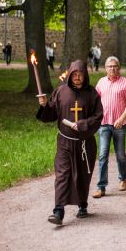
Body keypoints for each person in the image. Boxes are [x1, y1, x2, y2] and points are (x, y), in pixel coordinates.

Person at [36, 60, 103, 225]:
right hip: (64, 143)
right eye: (74, 74)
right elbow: (51, 115)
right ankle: (58, 210)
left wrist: (81, 125)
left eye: (80, 74)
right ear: (70, 74)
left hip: (84, 144)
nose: (77, 77)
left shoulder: (92, 94)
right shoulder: (60, 91)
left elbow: (98, 116)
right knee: (63, 175)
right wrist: (45, 106)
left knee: (81, 175)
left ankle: (82, 205)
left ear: (85, 75)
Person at [92, 56, 126, 198]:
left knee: (120, 155)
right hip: (103, 124)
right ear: (105, 68)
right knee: (103, 155)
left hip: (119, 125)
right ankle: (101, 187)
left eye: (114, 66)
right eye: (109, 66)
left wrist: (122, 118)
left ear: (119, 67)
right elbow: (94, 101)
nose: (112, 68)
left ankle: (124, 178)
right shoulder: (101, 82)